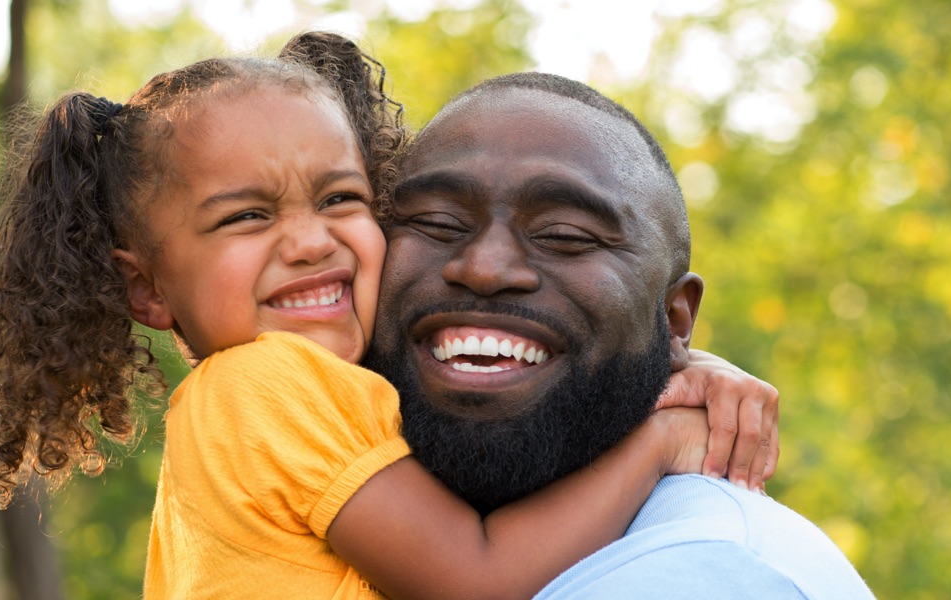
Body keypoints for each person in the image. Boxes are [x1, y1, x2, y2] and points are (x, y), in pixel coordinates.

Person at [0, 33, 776, 599]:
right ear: (148, 291)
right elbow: (474, 579)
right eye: (245, 216)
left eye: (341, 198)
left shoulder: (303, 393)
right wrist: (661, 440)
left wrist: (678, 369)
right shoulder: (266, 387)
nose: (310, 242)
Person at [362, 72, 875, 598]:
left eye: (565, 236)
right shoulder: (301, 468)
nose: (485, 268)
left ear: (675, 320)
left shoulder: (709, 571)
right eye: (436, 222)